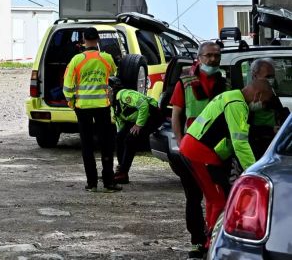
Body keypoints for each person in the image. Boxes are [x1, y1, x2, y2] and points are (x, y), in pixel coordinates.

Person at [179, 78, 276, 251]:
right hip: (199, 153)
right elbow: (240, 143)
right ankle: (210, 244)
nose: (264, 106)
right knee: (219, 199)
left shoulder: (230, 96)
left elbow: (228, 137)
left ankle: (203, 241)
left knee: (212, 197)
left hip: (194, 149)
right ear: (258, 95)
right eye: (265, 102)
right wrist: (254, 171)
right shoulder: (236, 104)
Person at [169, 41, 226, 258]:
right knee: (193, 197)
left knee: (217, 195)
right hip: (191, 150)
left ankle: (211, 236)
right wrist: (180, 141)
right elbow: (176, 115)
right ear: (199, 57)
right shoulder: (185, 83)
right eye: (209, 55)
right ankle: (196, 241)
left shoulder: (224, 83)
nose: (213, 60)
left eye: (217, 56)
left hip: (216, 151)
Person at [63, 27, 120, 192]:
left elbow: (67, 87)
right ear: (98, 39)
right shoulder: (107, 58)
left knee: (87, 145)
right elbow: (114, 76)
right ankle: (109, 182)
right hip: (102, 107)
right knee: (106, 144)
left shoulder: (76, 60)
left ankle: (92, 183)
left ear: (83, 40)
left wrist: (72, 103)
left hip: (82, 108)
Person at [108, 77, 164, 184]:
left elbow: (143, 105)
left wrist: (139, 125)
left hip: (152, 115)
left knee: (130, 139)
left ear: (111, 90)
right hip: (138, 118)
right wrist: (120, 134)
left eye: (106, 92)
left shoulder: (124, 95)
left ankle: (123, 172)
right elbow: (120, 123)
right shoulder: (114, 105)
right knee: (119, 138)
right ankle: (121, 170)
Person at [247, 58, 290, 159]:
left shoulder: (272, 95)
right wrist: (270, 130)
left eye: (272, 77)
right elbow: (244, 130)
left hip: (272, 144)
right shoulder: (248, 97)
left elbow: (281, 113)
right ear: (255, 75)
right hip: (255, 146)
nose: (271, 80)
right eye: (268, 76)